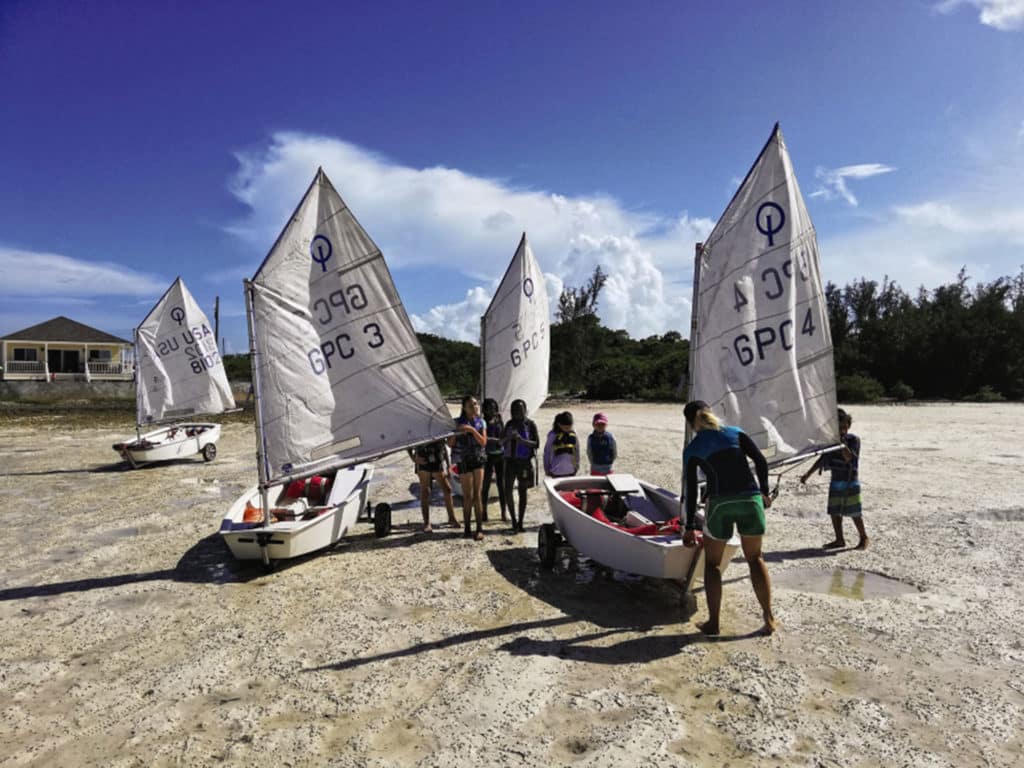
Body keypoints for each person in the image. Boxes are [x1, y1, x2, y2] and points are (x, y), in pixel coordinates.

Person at [682, 400, 776, 636]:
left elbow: (691, 490)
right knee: (755, 559)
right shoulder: (736, 432)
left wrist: (689, 526)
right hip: (750, 501)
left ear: (690, 424)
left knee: (713, 564)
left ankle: (714, 623)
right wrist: (764, 491)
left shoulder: (692, 448)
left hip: (719, 504)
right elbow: (761, 461)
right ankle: (769, 618)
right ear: (710, 414)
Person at [800, 408, 868, 550]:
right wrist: (808, 474)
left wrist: (841, 443)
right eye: (839, 428)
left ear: (849, 426)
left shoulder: (853, 440)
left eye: (844, 427)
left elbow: (849, 457)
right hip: (836, 480)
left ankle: (864, 537)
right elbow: (822, 458)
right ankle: (839, 539)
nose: (842, 430)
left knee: (854, 511)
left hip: (850, 481)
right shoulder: (831, 443)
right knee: (834, 511)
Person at [451, 395, 487, 541]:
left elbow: (483, 442)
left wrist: (472, 430)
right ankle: (467, 528)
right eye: (471, 405)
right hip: (463, 461)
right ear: (464, 408)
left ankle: (479, 529)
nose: (475, 407)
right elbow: (450, 443)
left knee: (477, 495)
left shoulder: (481, 422)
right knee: (467, 496)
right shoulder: (457, 423)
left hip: (478, 460)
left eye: (476, 404)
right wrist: (458, 431)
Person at [502, 398, 540, 533]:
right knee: (508, 490)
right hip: (510, 462)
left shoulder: (530, 425)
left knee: (522, 492)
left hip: (524, 463)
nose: (517, 412)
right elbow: (501, 442)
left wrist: (521, 440)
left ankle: (521, 522)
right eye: (515, 410)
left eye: (520, 409)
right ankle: (513, 520)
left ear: (525, 410)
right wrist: (509, 438)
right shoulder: (509, 424)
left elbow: (536, 444)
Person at [408, 439, 458, 532]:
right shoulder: (416, 427)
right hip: (423, 460)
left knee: (447, 490)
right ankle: (427, 523)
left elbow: (444, 446)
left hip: (437, 460)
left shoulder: (437, 426)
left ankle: (452, 518)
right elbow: (407, 442)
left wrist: (448, 465)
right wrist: (413, 458)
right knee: (425, 491)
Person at [481, 398, 507, 523]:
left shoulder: (499, 420)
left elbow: (503, 435)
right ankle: (484, 512)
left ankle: (503, 512)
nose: (492, 410)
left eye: (493, 408)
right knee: (485, 485)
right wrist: (496, 440)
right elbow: (484, 438)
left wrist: (502, 440)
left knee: (501, 485)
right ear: (484, 410)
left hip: (500, 455)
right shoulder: (482, 422)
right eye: (489, 408)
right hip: (487, 456)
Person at [543, 411, 579, 478]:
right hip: (556, 471)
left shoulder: (573, 435)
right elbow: (547, 452)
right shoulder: (553, 435)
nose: (568, 429)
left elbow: (577, 450)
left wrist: (576, 466)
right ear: (559, 424)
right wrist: (546, 468)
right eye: (565, 427)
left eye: (570, 427)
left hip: (570, 471)